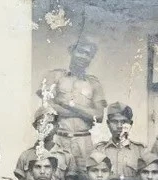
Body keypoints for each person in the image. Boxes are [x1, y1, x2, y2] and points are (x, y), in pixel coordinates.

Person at [36, 36, 107, 169]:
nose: (83, 56)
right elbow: (48, 107)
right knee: (56, 177)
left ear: (91, 58)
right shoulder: (55, 76)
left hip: (83, 141)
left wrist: (69, 104)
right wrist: (84, 112)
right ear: (71, 51)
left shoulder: (93, 83)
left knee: (85, 177)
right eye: (80, 51)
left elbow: (99, 116)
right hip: (58, 138)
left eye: (88, 54)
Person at [90, 102, 147, 180]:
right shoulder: (99, 150)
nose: (120, 126)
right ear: (108, 124)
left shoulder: (141, 150)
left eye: (124, 122)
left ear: (130, 124)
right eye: (115, 122)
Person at [15, 105, 74, 180]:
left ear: (56, 126)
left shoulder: (66, 156)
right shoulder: (25, 156)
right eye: (42, 122)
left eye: (50, 123)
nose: (46, 126)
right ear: (35, 126)